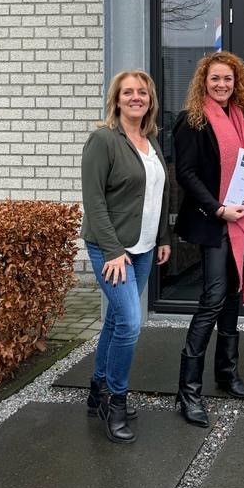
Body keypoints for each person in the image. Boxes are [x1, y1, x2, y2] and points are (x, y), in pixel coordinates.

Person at [173, 51, 244, 427]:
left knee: (233, 294)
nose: (221, 84)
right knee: (213, 298)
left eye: (228, 78)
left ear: (237, 82)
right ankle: (188, 392)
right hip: (215, 222)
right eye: (215, 78)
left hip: (241, 222)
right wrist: (217, 209)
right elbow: (186, 173)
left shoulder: (242, 119)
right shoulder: (192, 119)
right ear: (204, 80)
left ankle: (227, 374)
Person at [81, 70, 171, 444]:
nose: (136, 97)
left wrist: (162, 236)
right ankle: (115, 400)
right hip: (112, 249)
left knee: (118, 319)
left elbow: (160, 193)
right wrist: (114, 250)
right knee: (131, 324)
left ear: (150, 100)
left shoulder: (150, 140)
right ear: (116, 100)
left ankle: (97, 390)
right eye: (128, 92)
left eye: (142, 92)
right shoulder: (103, 139)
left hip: (145, 247)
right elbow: (93, 199)